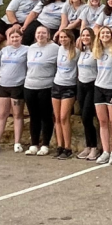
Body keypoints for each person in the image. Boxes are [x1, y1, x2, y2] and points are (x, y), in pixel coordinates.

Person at [0, 28, 28, 154]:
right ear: (9, 39)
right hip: (3, 84)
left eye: (17, 37)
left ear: (21, 38)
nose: (15, 39)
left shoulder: (26, 50)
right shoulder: (4, 51)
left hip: (17, 85)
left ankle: (17, 143)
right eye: (12, 37)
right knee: (2, 114)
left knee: (17, 114)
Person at [23, 26, 59, 156]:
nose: (41, 35)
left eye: (43, 33)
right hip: (30, 86)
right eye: (38, 33)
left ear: (48, 35)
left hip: (46, 86)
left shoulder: (55, 48)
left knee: (46, 116)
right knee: (34, 116)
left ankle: (45, 144)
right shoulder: (31, 48)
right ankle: (34, 144)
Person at [92, 25, 112, 165]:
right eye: (102, 33)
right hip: (99, 87)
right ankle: (105, 151)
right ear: (99, 36)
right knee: (103, 122)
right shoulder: (97, 50)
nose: (105, 35)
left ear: (111, 35)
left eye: (107, 33)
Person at [51, 29, 79, 159]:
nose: (62, 39)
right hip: (57, 84)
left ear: (70, 38)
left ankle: (68, 147)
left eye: (65, 37)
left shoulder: (76, 51)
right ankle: (60, 145)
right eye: (61, 37)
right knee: (57, 118)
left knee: (64, 117)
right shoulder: (58, 49)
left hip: (69, 86)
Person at [75, 27, 100, 160]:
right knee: (84, 117)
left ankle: (94, 147)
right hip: (81, 85)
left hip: (92, 84)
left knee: (87, 116)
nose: (85, 38)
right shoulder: (82, 51)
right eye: (83, 35)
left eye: (87, 35)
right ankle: (88, 146)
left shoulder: (96, 51)